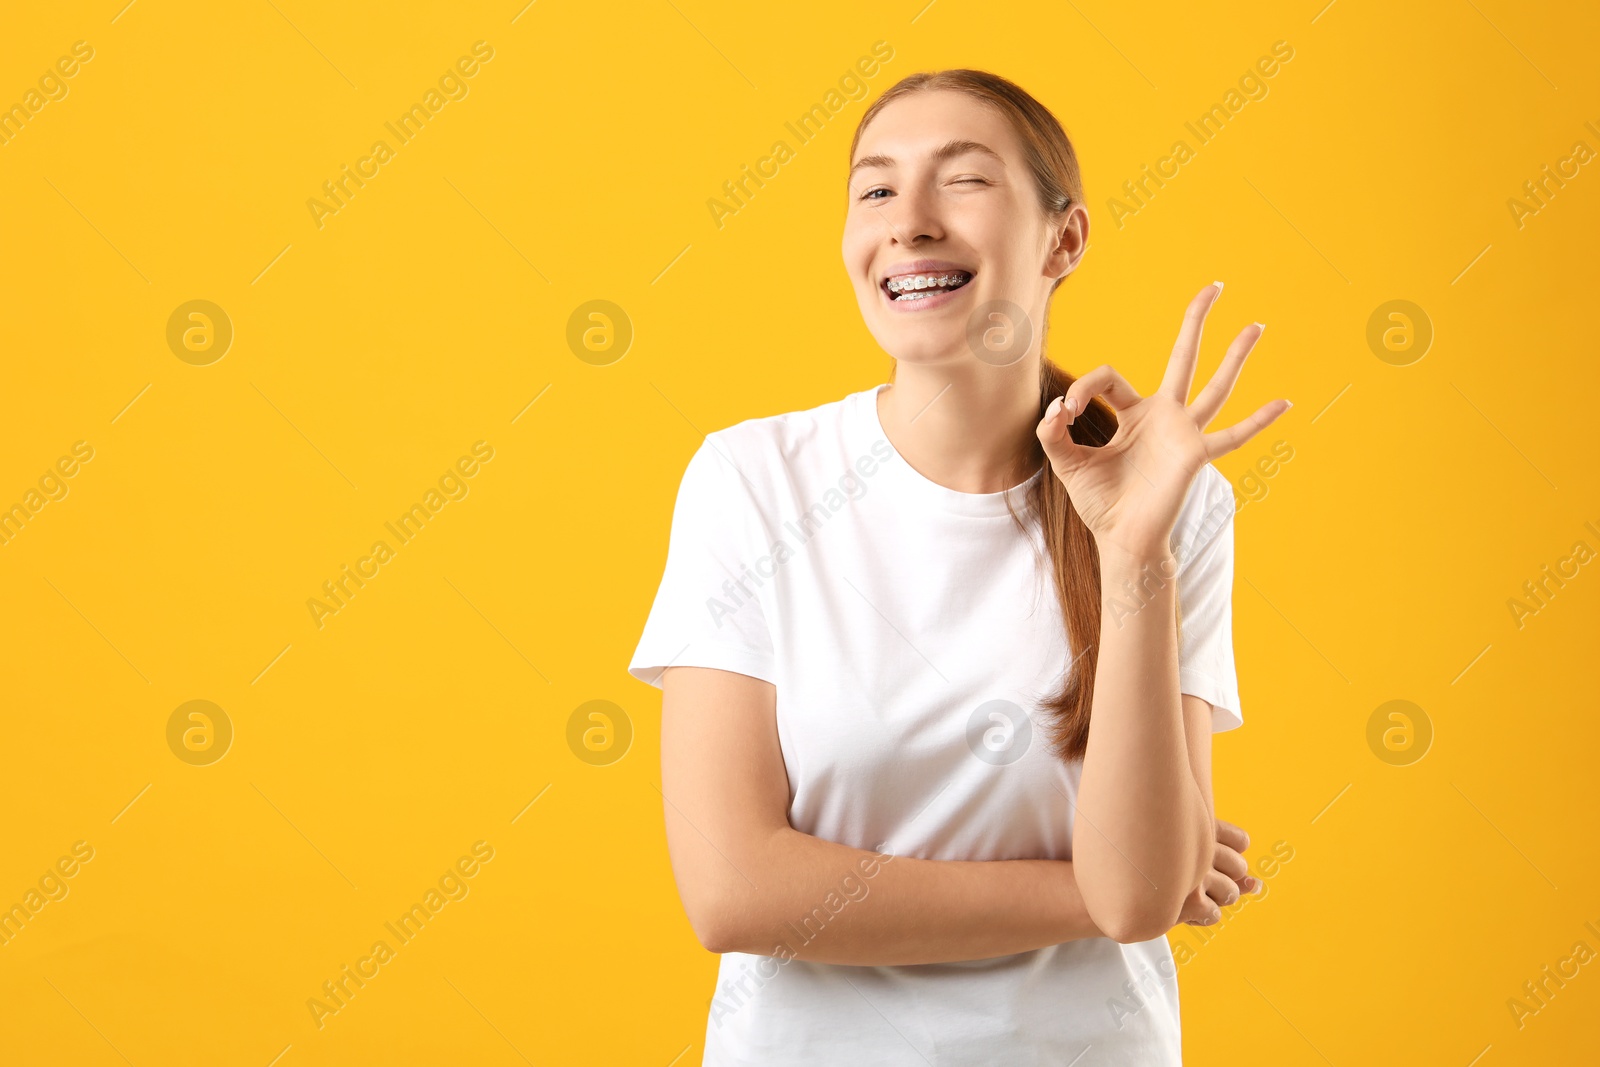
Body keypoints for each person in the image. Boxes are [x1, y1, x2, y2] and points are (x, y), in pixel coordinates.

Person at [628, 68, 1291, 1065]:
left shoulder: (1169, 498)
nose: (909, 222)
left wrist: (1131, 551)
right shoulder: (751, 479)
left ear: (1063, 239)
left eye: (963, 181)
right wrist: (1102, 890)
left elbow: (1145, 891)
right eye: (877, 189)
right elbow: (734, 889)